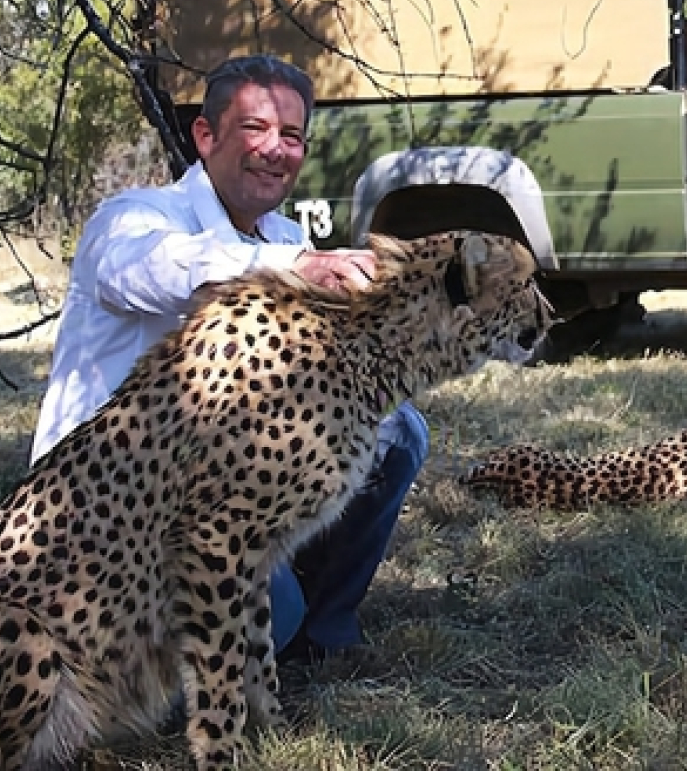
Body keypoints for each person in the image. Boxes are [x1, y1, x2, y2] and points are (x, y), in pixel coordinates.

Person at [31, 54, 429, 664]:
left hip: (227, 481)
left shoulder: (288, 237)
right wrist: (292, 272)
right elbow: (156, 270)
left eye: (292, 135)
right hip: (113, 505)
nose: (276, 149)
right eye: (255, 128)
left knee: (399, 430)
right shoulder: (132, 220)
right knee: (273, 615)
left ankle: (323, 629)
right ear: (205, 135)